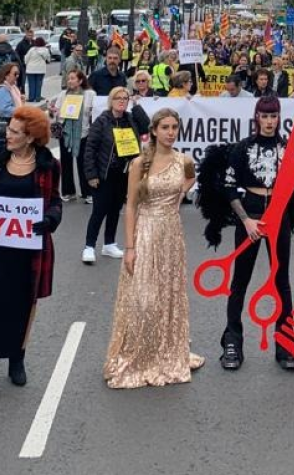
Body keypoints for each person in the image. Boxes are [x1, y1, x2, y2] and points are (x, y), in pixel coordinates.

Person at [201, 96, 294, 373]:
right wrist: (246, 221)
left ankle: (285, 344)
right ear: (257, 117)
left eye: (273, 116)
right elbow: (228, 186)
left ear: (279, 117)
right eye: (265, 116)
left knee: (281, 281)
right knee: (240, 280)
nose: (269, 121)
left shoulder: (290, 148)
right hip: (249, 213)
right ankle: (232, 343)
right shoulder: (242, 148)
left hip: (279, 215)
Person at [0, 105, 62, 397]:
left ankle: (16, 360)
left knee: (22, 308)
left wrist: (50, 220)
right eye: (8, 129)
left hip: (29, 252)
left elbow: (55, 201)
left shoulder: (48, 165)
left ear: (30, 137)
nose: (7, 135)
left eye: (14, 132)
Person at [103, 108, 203, 387]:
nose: (171, 132)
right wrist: (130, 247)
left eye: (175, 127)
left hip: (171, 233)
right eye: (166, 127)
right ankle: (139, 354)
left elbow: (191, 178)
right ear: (155, 131)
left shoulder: (184, 160)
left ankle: (166, 352)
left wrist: (180, 193)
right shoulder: (140, 164)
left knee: (167, 295)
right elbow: (131, 206)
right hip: (145, 231)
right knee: (142, 298)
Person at [82, 87, 138, 264]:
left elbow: (145, 128)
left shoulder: (130, 120)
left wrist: (136, 106)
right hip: (103, 173)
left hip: (123, 174)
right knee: (99, 210)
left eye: (125, 98)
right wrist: (91, 174)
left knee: (115, 210)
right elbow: (90, 148)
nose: (122, 101)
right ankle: (89, 246)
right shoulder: (102, 121)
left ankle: (109, 243)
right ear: (111, 101)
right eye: (118, 98)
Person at [50, 70, 96, 202]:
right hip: (66, 133)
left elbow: (94, 111)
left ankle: (88, 193)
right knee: (66, 163)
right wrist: (54, 111)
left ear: (80, 81)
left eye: (72, 78)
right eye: (68, 78)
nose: (69, 81)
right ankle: (68, 192)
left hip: (84, 133)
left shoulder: (90, 94)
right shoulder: (63, 94)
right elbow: (56, 113)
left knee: (84, 164)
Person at [0, 63, 24, 155]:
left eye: (18, 74)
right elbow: (5, 110)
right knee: (1, 160)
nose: (17, 76)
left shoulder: (12, 88)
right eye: (15, 74)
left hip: (7, 131)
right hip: (2, 131)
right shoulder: (2, 90)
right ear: (6, 75)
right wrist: (23, 111)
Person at [24, 36, 51, 102]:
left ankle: (31, 97)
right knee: (39, 84)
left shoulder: (32, 49)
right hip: (41, 69)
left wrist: (27, 64)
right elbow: (48, 59)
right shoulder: (46, 50)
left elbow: (26, 59)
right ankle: (38, 97)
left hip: (31, 69)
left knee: (31, 84)